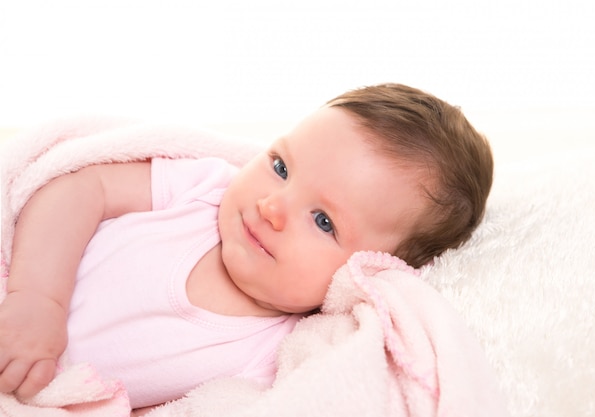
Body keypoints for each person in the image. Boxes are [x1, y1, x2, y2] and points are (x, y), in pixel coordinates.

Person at [0, 83, 493, 410]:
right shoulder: (203, 189)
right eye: (281, 166)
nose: (271, 207)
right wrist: (36, 299)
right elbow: (78, 186)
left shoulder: (271, 357)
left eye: (322, 221)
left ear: (368, 268)